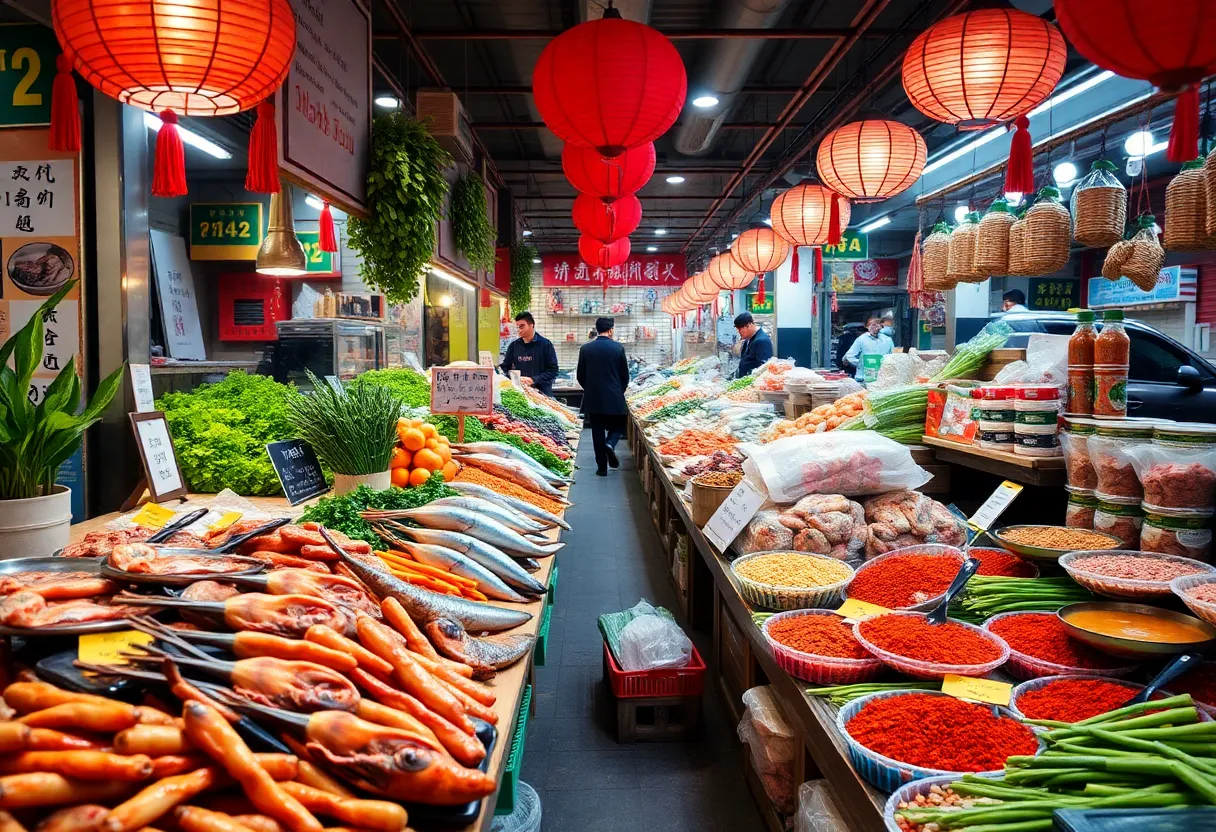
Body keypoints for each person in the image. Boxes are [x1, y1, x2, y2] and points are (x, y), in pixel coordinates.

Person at [576, 317, 630, 476]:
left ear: (597, 329)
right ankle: (611, 443)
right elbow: (624, 375)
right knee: (619, 425)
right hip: (614, 395)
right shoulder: (618, 348)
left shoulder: (585, 349)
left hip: (594, 397)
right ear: (611, 330)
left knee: (597, 430)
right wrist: (619, 390)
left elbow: (580, 375)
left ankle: (601, 468)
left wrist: (590, 388)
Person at [500, 311, 559, 395]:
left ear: (531, 325)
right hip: (520, 393)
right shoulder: (514, 346)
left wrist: (533, 380)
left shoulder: (545, 344)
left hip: (543, 394)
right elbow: (505, 367)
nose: (519, 330)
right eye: (517, 327)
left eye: (522, 326)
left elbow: (553, 371)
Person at [843, 317, 895, 381]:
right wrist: (862, 364)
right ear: (867, 326)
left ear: (881, 326)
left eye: (877, 324)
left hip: (882, 378)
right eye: (872, 324)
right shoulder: (861, 339)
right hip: (863, 377)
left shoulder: (888, 340)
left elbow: (893, 357)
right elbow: (850, 356)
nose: (875, 326)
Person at [734, 311, 773, 378]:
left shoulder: (762, 341)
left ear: (749, 325)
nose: (738, 332)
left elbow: (763, 368)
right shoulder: (748, 339)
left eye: (740, 329)